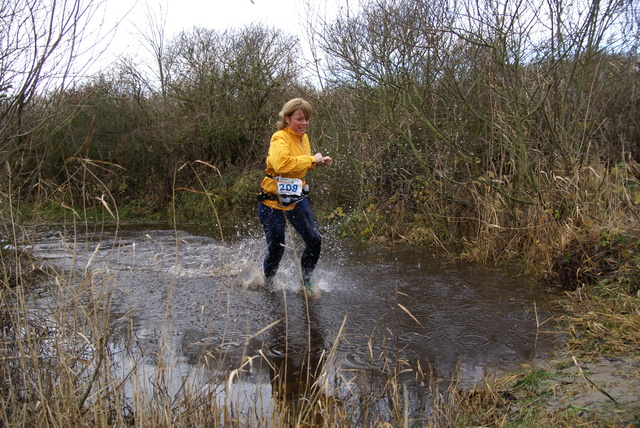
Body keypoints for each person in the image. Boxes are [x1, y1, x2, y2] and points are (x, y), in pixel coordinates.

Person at [257, 98, 332, 292]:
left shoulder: (303, 137)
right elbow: (281, 164)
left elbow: (299, 164)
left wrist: (317, 163)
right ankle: (268, 283)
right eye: (299, 119)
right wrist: (310, 159)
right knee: (277, 248)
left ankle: (305, 283)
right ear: (287, 118)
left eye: (307, 119)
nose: (304, 123)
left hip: (296, 199)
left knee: (315, 240)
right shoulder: (279, 138)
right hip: (272, 202)